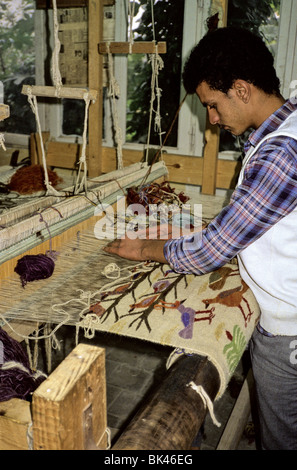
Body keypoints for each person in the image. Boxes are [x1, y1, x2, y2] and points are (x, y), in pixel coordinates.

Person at [104, 27, 297, 450]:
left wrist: (143, 248)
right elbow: (253, 223)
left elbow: (209, 252)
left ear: (242, 90)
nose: (210, 119)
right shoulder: (284, 126)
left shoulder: (281, 153)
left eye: (212, 104)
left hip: (289, 336)